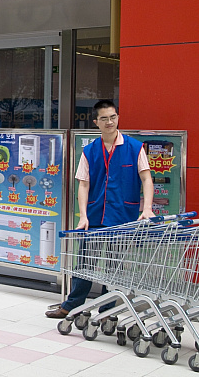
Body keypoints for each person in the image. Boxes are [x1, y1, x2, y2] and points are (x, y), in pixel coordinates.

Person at [45, 99, 155, 318]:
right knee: (85, 263)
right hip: (95, 216)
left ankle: (108, 309)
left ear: (118, 118)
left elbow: (146, 178)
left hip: (123, 216)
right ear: (96, 122)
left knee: (114, 266)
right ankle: (72, 305)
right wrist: (83, 215)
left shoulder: (134, 147)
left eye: (113, 117)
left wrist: (148, 208)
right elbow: (83, 184)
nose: (109, 122)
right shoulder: (90, 150)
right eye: (104, 118)